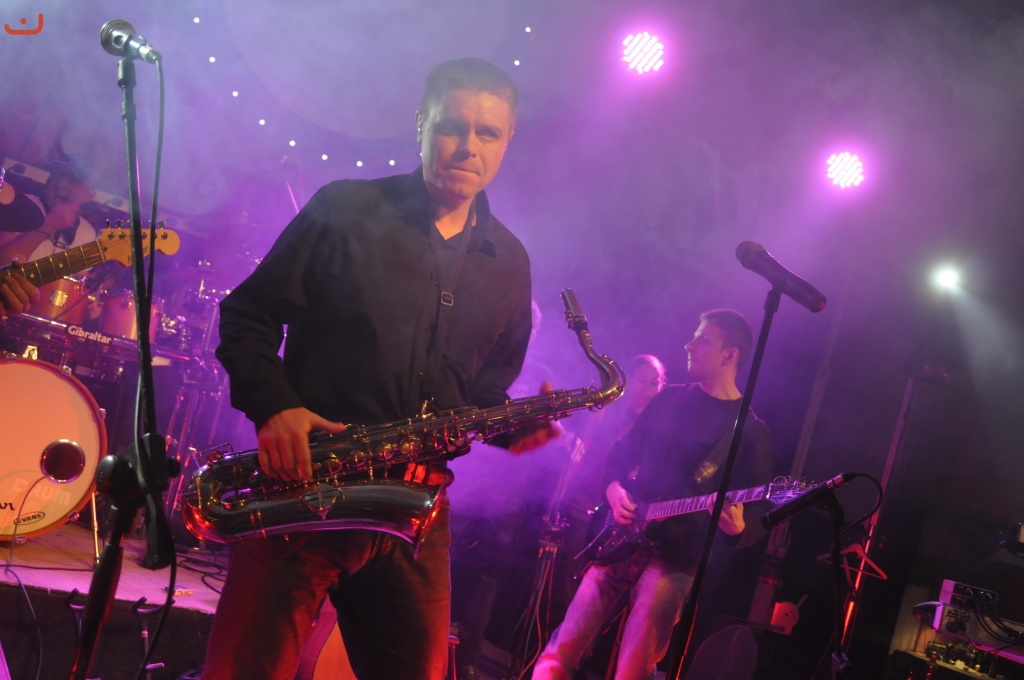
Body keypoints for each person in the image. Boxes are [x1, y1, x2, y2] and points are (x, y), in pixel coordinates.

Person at [204, 57, 557, 680]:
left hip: (416, 510)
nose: (468, 147)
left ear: (507, 141)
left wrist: (513, 427)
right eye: (451, 126)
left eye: (487, 133)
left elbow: (480, 394)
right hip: (305, 489)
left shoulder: (512, 262)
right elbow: (246, 316)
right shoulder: (347, 208)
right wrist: (274, 407)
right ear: (421, 124)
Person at [531, 309, 773, 680]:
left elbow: (758, 516)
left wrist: (738, 527)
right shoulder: (669, 399)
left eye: (703, 339)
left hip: (676, 559)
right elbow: (620, 456)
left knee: (634, 668)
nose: (689, 345)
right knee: (564, 646)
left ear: (729, 355)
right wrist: (613, 489)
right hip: (621, 534)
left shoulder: (750, 432)